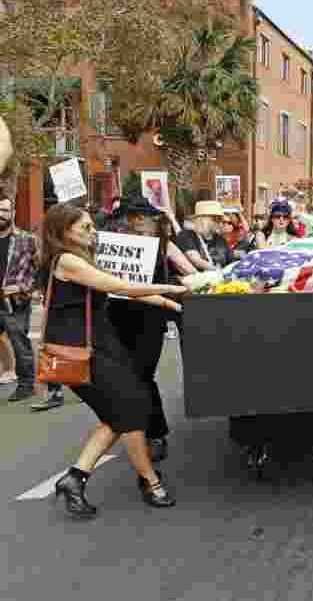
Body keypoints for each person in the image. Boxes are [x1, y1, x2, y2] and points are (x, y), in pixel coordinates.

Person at [40, 204, 187, 518]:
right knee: (131, 409)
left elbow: (124, 291)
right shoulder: (66, 261)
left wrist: (173, 304)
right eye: (85, 228)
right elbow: (119, 286)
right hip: (78, 350)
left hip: (100, 346)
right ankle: (149, 480)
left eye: (93, 226)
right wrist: (169, 288)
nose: (94, 232)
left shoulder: (82, 259)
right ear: (63, 232)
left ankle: (76, 478)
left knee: (122, 413)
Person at [105, 197, 194, 464]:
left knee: (142, 375)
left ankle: (153, 434)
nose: (143, 224)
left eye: (147, 219)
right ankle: (139, 430)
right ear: (127, 219)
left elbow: (186, 267)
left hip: (149, 318)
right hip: (114, 315)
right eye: (137, 218)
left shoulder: (162, 244)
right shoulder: (107, 243)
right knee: (126, 378)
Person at [0, 191, 41, 405]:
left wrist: (22, 287)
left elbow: (41, 271)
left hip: (14, 302)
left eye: (5, 210)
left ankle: (26, 385)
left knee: (19, 344)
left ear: (13, 213)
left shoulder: (27, 239)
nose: (1, 214)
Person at [177, 201, 230, 270]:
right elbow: (196, 261)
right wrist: (218, 271)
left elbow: (230, 261)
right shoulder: (186, 235)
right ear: (204, 220)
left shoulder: (220, 239)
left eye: (221, 219)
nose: (220, 223)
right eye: (216, 219)